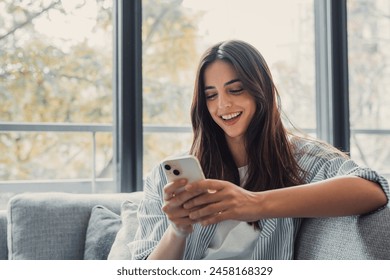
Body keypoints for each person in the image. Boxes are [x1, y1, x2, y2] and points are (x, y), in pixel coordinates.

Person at [128, 40, 389, 260]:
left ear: (259, 90)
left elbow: (374, 191)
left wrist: (255, 204)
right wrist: (177, 231)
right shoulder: (166, 178)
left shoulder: (302, 161)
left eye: (236, 90)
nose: (223, 105)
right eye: (211, 95)